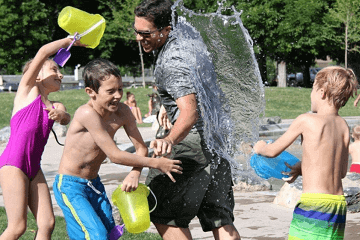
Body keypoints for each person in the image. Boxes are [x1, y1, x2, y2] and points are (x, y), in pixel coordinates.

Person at [134, 1, 241, 239]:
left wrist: (169, 139)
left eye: (145, 33)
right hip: (218, 140)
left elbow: (189, 112)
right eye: (136, 31)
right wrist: (166, 105)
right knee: (219, 218)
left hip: (192, 142)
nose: (139, 38)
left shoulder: (171, 61)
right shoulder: (189, 40)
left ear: (166, 30)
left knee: (161, 211)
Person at [52, 58, 183, 240]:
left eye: (120, 89)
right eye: (110, 91)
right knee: (96, 235)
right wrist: (156, 163)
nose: (118, 95)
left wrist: (135, 172)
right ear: (91, 92)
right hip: (70, 185)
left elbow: (140, 147)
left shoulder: (123, 112)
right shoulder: (87, 113)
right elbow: (114, 155)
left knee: (111, 234)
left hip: (94, 184)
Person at [254, 66, 358, 240]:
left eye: (312, 89)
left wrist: (260, 147)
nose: (311, 94)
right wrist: (302, 167)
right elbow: (340, 172)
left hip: (314, 205)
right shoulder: (343, 126)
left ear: (322, 92)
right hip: (338, 206)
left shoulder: (306, 120)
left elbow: (272, 151)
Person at [0, 38, 82, 239]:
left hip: (33, 168)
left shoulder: (55, 105)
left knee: (47, 223)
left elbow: (65, 117)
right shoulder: (27, 91)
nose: (60, 74)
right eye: (54, 70)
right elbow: (43, 52)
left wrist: (61, 116)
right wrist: (69, 40)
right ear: (37, 76)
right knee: (17, 227)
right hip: (14, 164)